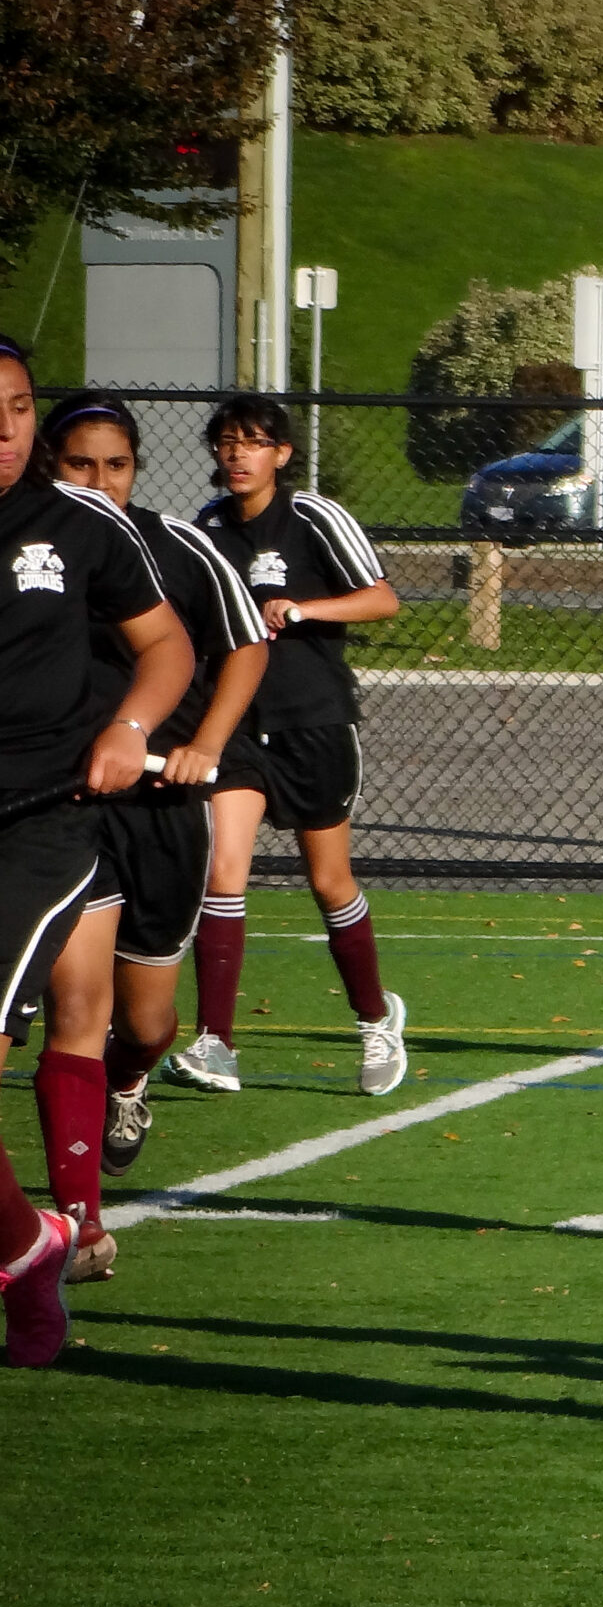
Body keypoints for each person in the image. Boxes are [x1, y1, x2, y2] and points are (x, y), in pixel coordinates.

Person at [34, 395, 267, 1280]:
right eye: (80, 465)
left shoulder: (175, 547)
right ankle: (80, 1227)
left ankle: (131, 1085)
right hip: (63, 810)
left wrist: (203, 745)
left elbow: (243, 645)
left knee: (147, 1023)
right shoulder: (30, 549)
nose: (98, 483)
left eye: (116, 466)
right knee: (76, 1011)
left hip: (164, 810)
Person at [0, 338, 192, 1365]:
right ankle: (30, 1243)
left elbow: (170, 646)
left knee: (102, 1018)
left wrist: (131, 730)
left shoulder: (80, 529)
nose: (5, 430)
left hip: (40, 824)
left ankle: (57, 1223)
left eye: (21, 408)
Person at [168, 393, 406, 1099]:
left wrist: (304, 609)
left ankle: (374, 1018)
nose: (237, 454)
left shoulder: (312, 517)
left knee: (329, 883)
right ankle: (217, 1042)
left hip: (314, 723)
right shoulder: (206, 528)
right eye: (227, 442)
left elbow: (383, 598)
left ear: (282, 453)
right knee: (223, 872)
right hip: (237, 726)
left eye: (253, 442)